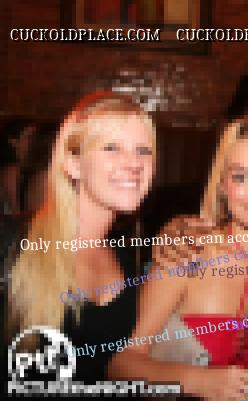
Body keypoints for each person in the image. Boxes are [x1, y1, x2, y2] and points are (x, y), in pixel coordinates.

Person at [109, 116, 248, 400]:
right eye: (240, 177)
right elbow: (120, 366)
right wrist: (198, 380)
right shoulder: (187, 251)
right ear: (223, 186)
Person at [6, 92, 156, 383]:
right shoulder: (14, 245)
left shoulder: (128, 260)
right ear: (73, 163)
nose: (134, 163)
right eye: (111, 147)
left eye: (143, 150)